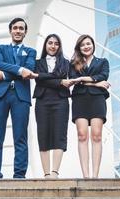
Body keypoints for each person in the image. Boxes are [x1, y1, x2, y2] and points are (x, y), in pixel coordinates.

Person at [0, 17, 37, 178]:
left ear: (25, 32)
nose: (18, 31)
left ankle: (20, 175)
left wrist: (6, 75)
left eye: (21, 28)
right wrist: (19, 70)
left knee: (20, 136)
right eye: (15, 28)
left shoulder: (31, 51)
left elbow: (29, 70)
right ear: (10, 30)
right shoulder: (0, 48)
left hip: (20, 97)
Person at [69, 34, 110, 178]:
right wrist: (97, 83)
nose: (86, 46)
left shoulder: (103, 62)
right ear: (79, 48)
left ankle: (95, 176)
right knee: (82, 136)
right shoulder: (73, 63)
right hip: (80, 99)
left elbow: (103, 76)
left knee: (97, 136)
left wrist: (82, 79)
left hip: (97, 99)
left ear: (93, 45)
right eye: (83, 45)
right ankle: (86, 176)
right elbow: (73, 80)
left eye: (88, 43)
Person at [33, 34, 73, 178]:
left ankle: (55, 172)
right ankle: (46, 174)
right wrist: (60, 81)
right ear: (45, 45)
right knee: (43, 134)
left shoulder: (66, 63)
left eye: (56, 43)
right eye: (50, 43)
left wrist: (44, 76)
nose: (53, 46)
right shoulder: (37, 63)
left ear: (59, 46)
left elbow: (42, 77)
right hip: (42, 100)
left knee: (59, 134)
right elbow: (39, 80)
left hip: (61, 100)